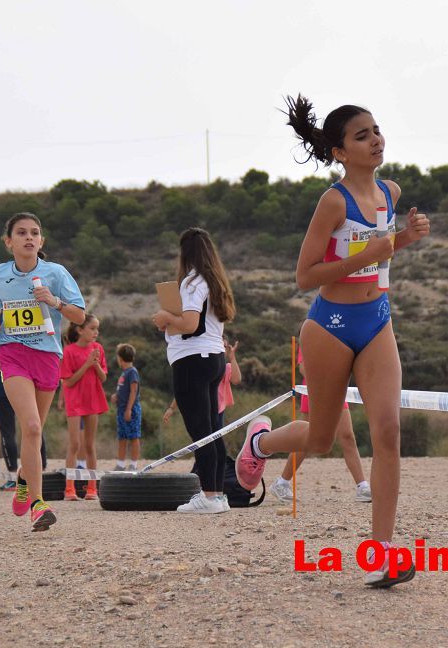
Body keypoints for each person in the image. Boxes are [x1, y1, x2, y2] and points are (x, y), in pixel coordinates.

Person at [235, 95, 430, 587]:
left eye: (377, 130)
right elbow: (305, 276)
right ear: (339, 151)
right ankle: (260, 441)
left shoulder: (390, 191)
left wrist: (405, 238)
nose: (375, 139)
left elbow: (382, 254)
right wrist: (376, 248)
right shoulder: (332, 201)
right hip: (329, 328)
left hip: (378, 322)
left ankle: (381, 553)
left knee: (388, 432)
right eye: (361, 135)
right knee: (320, 440)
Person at [0, 212, 86, 531]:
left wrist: (55, 302)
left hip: (47, 358)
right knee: (29, 426)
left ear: (41, 241)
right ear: (9, 241)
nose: (29, 237)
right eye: (22, 232)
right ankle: (39, 505)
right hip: (12, 354)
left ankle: (22, 482)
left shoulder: (56, 273)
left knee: (35, 431)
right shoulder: (0, 273)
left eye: (35, 233)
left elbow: (80, 317)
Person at [152, 227, 236, 514]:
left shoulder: (191, 282)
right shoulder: (215, 282)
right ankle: (219, 494)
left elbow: (188, 324)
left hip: (191, 358)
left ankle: (209, 495)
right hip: (213, 357)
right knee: (213, 430)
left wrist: (165, 317)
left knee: (201, 430)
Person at [268, 346, 370, 504]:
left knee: (347, 436)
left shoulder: (340, 336)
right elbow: (303, 368)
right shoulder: (312, 333)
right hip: (315, 391)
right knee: (307, 439)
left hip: (337, 390)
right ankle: (281, 482)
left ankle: (362, 487)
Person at [0, 322, 49, 490]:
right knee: (35, 426)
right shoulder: (27, 320)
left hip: (1, 383)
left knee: (8, 432)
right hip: (28, 380)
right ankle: (40, 471)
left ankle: (13, 477)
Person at [162, 335, 241, 476]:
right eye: (219, 346)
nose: (220, 350)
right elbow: (184, 391)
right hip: (201, 408)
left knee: (214, 443)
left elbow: (236, 379)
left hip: (217, 411)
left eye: (224, 347)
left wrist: (232, 358)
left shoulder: (225, 367)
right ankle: (199, 471)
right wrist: (171, 408)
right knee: (201, 441)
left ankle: (209, 475)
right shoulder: (203, 367)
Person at [60, 313, 108, 501]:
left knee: (89, 445)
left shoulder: (98, 348)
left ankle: (92, 489)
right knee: (74, 444)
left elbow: (103, 377)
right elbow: (68, 382)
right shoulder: (69, 351)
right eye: (92, 328)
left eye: (97, 328)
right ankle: (69, 489)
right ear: (80, 330)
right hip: (75, 401)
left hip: (93, 399)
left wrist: (95, 365)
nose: (96, 332)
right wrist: (87, 364)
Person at [112, 343, 142, 471]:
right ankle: (121, 464)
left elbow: (133, 391)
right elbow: (124, 390)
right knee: (122, 437)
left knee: (134, 437)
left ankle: (133, 464)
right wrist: (116, 396)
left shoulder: (132, 372)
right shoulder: (124, 373)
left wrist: (129, 409)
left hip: (131, 410)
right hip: (121, 409)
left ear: (120, 358)